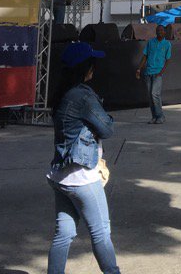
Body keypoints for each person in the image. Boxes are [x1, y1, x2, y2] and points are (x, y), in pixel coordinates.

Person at [47, 41, 120, 274]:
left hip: (61, 176)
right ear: (85, 68)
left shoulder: (63, 94)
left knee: (64, 233)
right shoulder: (82, 96)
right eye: (92, 64)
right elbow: (107, 128)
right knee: (101, 232)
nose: (94, 68)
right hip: (82, 178)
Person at [135, 23, 172, 124]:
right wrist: (139, 69)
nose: (160, 32)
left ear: (164, 32)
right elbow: (145, 56)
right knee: (150, 96)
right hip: (148, 72)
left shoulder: (167, 44)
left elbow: (168, 59)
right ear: (156, 32)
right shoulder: (150, 42)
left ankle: (161, 116)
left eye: (161, 30)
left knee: (154, 94)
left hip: (158, 73)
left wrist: (161, 72)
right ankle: (154, 117)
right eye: (158, 30)